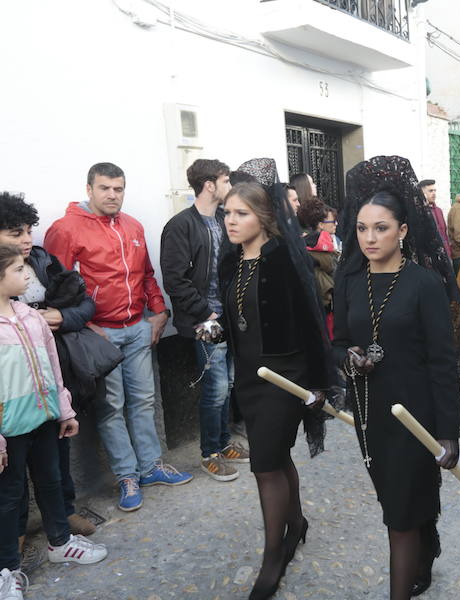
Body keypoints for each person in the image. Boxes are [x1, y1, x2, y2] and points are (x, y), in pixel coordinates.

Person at [333, 156, 460, 600]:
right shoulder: (350, 281)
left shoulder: (424, 284)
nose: (370, 238)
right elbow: (340, 343)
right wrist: (350, 358)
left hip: (417, 416)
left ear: (404, 230)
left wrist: (448, 432)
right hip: (372, 415)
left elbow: (444, 363)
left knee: (400, 517)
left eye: (381, 228)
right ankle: (426, 546)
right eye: (362, 228)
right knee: (397, 501)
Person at [43, 162, 192, 513]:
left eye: (119, 188)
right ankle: (127, 476)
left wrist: (158, 313)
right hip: (99, 334)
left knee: (143, 401)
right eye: (105, 188)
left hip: (138, 327)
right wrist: (84, 328)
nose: (112, 194)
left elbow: (146, 276)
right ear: (89, 189)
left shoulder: (133, 226)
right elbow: (58, 291)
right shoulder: (65, 230)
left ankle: (151, 467)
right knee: (111, 408)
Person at [217, 159, 333, 600]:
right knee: (277, 457)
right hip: (249, 377)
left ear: (263, 218)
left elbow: (311, 322)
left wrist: (320, 384)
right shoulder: (231, 262)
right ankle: (297, 522)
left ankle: (272, 559)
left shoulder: (284, 258)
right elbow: (240, 317)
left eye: (241, 213)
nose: (231, 220)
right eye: (227, 213)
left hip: (286, 377)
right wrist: (217, 325)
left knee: (264, 466)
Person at [0, 244, 109, 600]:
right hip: (9, 430)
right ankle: (7, 568)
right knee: (10, 497)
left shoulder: (32, 317)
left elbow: (52, 368)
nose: (28, 274)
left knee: (51, 481)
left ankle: (60, 542)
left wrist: (64, 410)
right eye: (18, 270)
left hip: (44, 419)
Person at [160, 159, 249, 483]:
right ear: (210, 185)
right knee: (215, 387)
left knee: (227, 382)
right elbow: (174, 279)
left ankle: (223, 443)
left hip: (225, 317)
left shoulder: (224, 221)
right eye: (226, 181)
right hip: (205, 320)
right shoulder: (181, 225)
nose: (230, 188)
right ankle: (209, 454)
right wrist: (206, 313)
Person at [297, 196, 339, 338]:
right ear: (321, 224)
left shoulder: (299, 244)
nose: (336, 224)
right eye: (332, 221)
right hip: (327, 309)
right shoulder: (325, 245)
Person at [418, 179, 453, 260]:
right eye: (430, 191)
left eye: (435, 191)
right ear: (422, 193)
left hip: (445, 255)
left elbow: (444, 234)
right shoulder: (419, 212)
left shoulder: (439, 211)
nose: (434, 193)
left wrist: (448, 252)